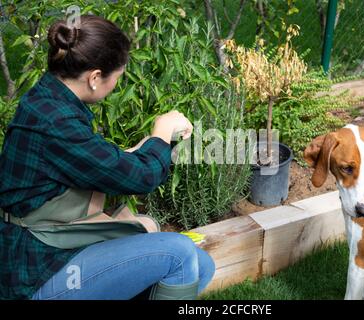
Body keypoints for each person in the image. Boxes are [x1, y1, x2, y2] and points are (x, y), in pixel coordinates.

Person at [0, 14, 215, 300]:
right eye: (118, 77)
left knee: (202, 265)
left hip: (54, 245)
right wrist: (161, 131)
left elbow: (93, 162)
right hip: (36, 270)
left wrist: (150, 146)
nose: (117, 84)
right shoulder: (56, 123)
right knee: (179, 253)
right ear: (95, 77)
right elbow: (143, 177)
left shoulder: (49, 99)